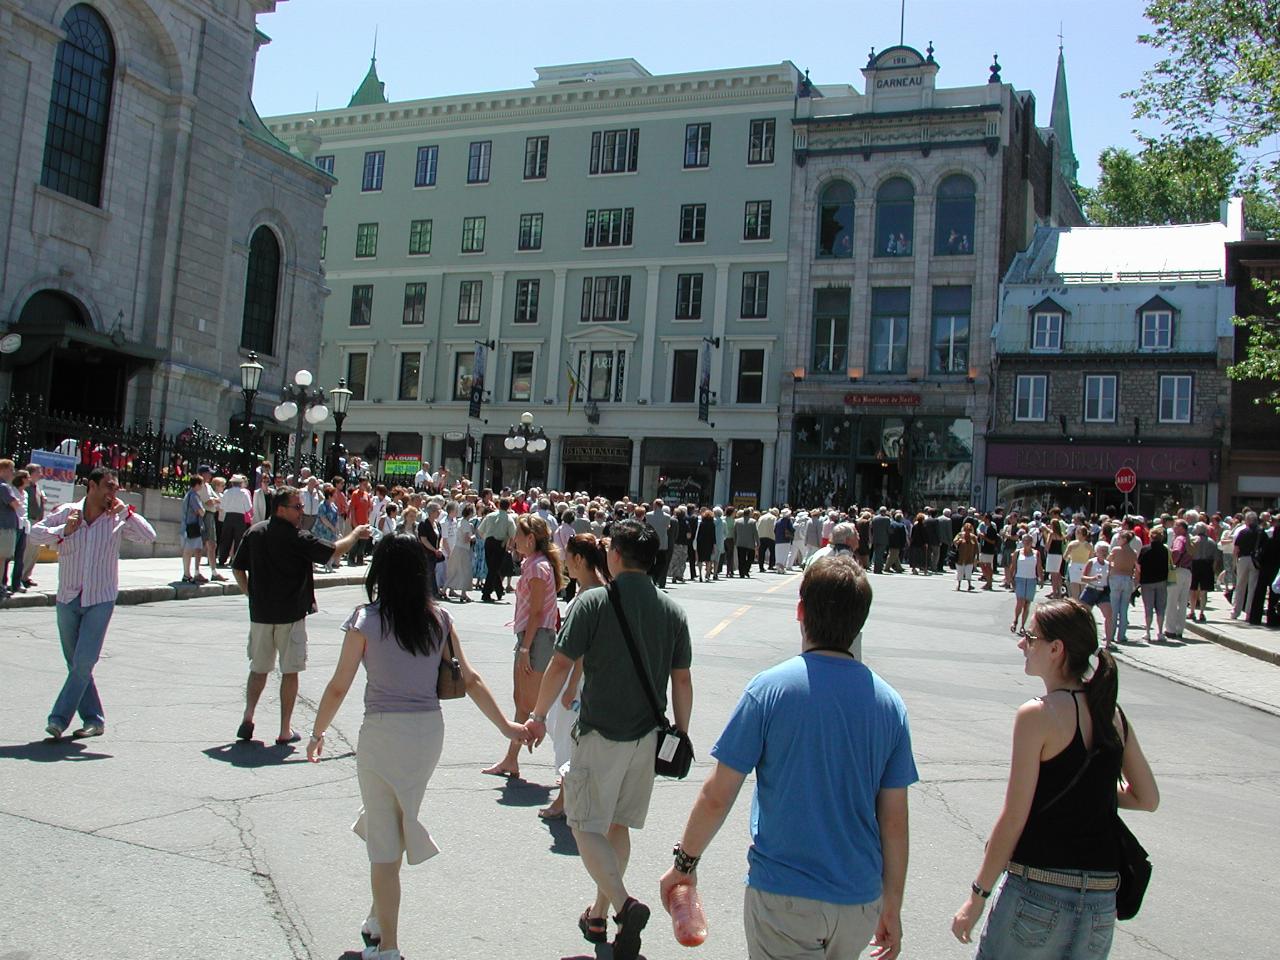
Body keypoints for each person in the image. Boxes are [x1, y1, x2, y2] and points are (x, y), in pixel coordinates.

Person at [661, 554, 913, 960]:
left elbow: (717, 795)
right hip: (858, 899)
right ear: (860, 623)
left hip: (784, 895)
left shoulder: (770, 690)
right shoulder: (889, 705)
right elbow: (895, 820)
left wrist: (684, 864)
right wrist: (893, 905)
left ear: (800, 611)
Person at [306, 534, 527, 960]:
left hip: (382, 732)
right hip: (428, 733)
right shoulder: (440, 618)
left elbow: (338, 686)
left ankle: (387, 946)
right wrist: (506, 726)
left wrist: (318, 732)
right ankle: (377, 919)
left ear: (380, 572)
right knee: (390, 819)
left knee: (385, 845)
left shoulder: (365, 619)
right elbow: (471, 678)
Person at [950, 599, 1159, 958]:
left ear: (1056, 649)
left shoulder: (1038, 715)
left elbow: (1014, 817)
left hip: (1038, 891)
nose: (1021, 644)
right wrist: (1098, 792)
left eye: (1030, 637)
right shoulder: (1112, 714)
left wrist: (977, 896)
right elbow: (1147, 798)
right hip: (1100, 901)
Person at [522, 520, 693, 960]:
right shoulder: (672, 611)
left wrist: (538, 715)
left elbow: (560, 665)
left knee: (582, 824)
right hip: (647, 736)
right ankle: (598, 911)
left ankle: (623, 904)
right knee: (617, 824)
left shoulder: (595, 602)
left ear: (614, 555)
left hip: (600, 730)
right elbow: (682, 681)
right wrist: (681, 733)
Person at [231, 486, 371, 745]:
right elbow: (334, 551)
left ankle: (248, 717)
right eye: (297, 507)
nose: (301, 512)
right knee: (290, 671)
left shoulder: (255, 532)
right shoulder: (297, 537)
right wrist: (355, 533)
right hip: (290, 614)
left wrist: (250, 595)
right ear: (281, 509)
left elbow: (238, 569)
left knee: (258, 669)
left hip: (260, 614)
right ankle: (285, 729)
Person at [29, 467, 157, 739]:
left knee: (84, 661)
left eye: (116, 487)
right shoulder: (67, 512)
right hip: (68, 597)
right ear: (92, 486)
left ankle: (58, 719)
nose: (114, 492)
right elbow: (34, 534)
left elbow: (149, 537)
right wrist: (64, 530)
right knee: (76, 663)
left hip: (100, 598)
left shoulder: (117, 518)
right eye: (109, 486)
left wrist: (125, 512)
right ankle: (94, 719)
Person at [483, 513, 565, 779]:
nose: (514, 539)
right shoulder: (535, 563)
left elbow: (538, 612)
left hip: (537, 639)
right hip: (532, 638)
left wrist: (526, 649)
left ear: (530, 539)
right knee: (524, 702)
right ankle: (511, 759)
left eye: (518, 535)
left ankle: (568, 762)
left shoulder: (538, 567)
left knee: (536, 705)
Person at [540, 533, 610, 821]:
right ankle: (569, 795)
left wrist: (570, 686)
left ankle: (565, 799)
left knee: (569, 736)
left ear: (579, 559)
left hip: (576, 680)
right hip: (581, 678)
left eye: (568, 557)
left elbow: (583, 648)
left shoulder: (590, 596)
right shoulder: (594, 591)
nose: (565, 563)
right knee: (572, 737)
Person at [477, 496, 516, 603]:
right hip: (500, 544)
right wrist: (510, 546)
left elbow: (480, 530)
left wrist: (486, 538)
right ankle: (486, 593)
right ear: (509, 507)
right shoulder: (509, 519)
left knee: (492, 567)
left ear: (498, 505)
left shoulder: (489, 516)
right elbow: (513, 535)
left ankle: (499, 590)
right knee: (493, 568)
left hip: (489, 543)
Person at [1137, 530, 1171, 643]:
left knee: (1148, 607)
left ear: (1151, 537)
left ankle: (1147, 632)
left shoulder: (1145, 549)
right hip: (1161, 581)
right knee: (1161, 608)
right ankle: (1160, 632)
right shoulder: (1165, 550)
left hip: (1147, 582)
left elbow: (1139, 565)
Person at [1080, 542, 1115, 649]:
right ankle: (1082, 639)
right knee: (1083, 616)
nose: (1104, 553)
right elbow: (1082, 578)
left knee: (1109, 615)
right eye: (1102, 551)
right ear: (1096, 552)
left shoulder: (1108, 564)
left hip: (1103, 591)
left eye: (1106, 551)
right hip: (1091, 589)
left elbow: (1109, 579)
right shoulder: (1092, 562)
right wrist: (1094, 578)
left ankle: (1108, 642)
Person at [1107, 531, 1139, 644]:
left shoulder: (1116, 550)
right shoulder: (1133, 552)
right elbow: (1137, 567)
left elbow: (1108, 561)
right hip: (1128, 579)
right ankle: (1122, 635)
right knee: (1124, 608)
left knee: (1114, 608)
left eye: (1120, 538)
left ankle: (1110, 635)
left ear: (1124, 539)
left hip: (1116, 578)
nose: (1118, 539)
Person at [1164, 519, 1192, 640]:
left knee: (1172, 601)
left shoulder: (1180, 539)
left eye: (1175, 526)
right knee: (1183, 602)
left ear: (1181, 528)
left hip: (1178, 571)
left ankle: (1170, 629)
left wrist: (1171, 564)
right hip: (1188, 571)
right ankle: (1180, 629)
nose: (1173, 528)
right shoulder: (1189, 539)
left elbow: (1176, 551)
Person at [445, 502, 477, 603]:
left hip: (457, 548)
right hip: (463, 549)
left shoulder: (460, 521)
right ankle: (463, 594)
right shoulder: (466, 524)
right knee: (465, 571)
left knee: (454, 570)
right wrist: (473, 537)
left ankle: (445, 589)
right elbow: (466, 539)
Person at [218, 475, 253, 566]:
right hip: (240, 518)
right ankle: (236, 560)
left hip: (228, 516)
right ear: (241, 483)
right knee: (238, 539)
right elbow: (248, 507)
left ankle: (222, 559)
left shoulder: (227, 492)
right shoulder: (244, 493)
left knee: (226, 538)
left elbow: (222, 506)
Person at [1011, 534, 1042, 634]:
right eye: (1025, 541)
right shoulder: (1017, 553)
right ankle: (1015, 620)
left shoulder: (1036, 553)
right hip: (1020, 578)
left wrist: (1040, 578)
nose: (1027, 543)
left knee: (1027, 603)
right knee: (1020, 601)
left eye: (1029, 541)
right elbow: (1013, 566)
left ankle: (1023, 625)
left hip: (1031, 580)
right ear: (1022, 542)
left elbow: (1039, 567)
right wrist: (1011, 579)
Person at [180, 475, 207, 584]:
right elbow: (201, 511)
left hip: (188, 526)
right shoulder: (194, 496)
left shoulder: (188, 494)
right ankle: (187, 574)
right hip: (192, 526)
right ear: (197, 484)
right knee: (189, 551)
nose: (202, 486)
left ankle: (187, 574)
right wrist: (202, 510)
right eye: (201, 484)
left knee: (189, 551)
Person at [1188, 521, 1216, 624]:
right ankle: (1202, 612)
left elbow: (1189, 554)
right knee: (1204, 591)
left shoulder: (1193, 540)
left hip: (1194, 565)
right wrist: (1213, 570)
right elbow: (1215, 558)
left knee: (1193, 590)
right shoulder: (1212, 542)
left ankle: (1192, 611)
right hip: (1207, 566)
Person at [734, 508, 759, 578]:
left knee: (741, 559)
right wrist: (758, 542)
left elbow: (734, 532)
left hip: (740, 543)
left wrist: (735, 541)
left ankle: (742, 572)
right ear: (750, 514)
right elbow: (755, 533)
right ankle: (745, 570)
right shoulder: (753, 521)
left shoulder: (737, 521)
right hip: (750, 543)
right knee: (751, 558)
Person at [955, 522, 979, 591]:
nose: (968, 531)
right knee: (960, 572)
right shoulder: (960, 535)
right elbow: (954, 542)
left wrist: (977, 557)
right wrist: (958, 541)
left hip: (970, 557)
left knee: (969, 572)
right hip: (960, 557)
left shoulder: (973, 537)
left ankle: (969, 585)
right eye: (966, 529)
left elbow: (977, 547)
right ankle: (959, 585)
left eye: (969, 530)